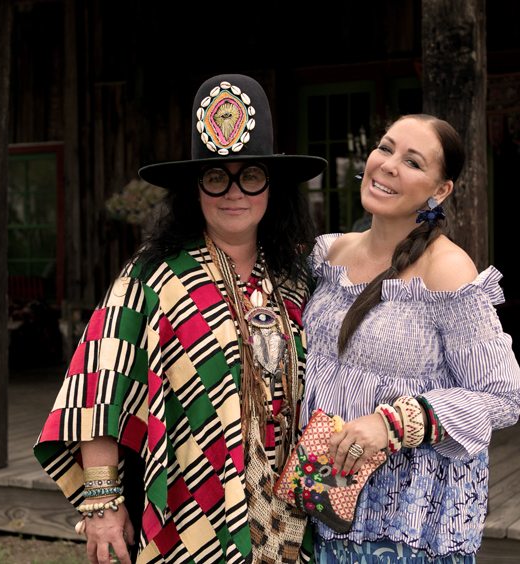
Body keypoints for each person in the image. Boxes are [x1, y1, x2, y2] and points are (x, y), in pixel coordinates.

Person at [33, 73, 327, 564]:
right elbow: (98, 386)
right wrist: (104, 505)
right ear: (195, 189)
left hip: (290, 512)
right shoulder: (152, 278)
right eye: (216, 177)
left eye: (250, 175)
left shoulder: (299, 281)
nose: (234, 192)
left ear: (273, 186)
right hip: (187, 512)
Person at [300, 114, 520, 562]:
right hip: (318, 495)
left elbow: (503, 396)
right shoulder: (329, 254)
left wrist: (392, 423)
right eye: (385, 148)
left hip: (404, 519)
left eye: (413, 162)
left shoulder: (446, 270)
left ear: (440, 191)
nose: (388, 165)